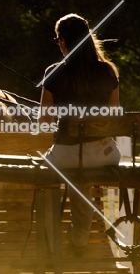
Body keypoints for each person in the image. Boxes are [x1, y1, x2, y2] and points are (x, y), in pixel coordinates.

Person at [39, 13, 121, 257]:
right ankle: (79, 241)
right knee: (82, 179)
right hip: (106, 154)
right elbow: (114, 116)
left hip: (67, 154)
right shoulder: (108, 71)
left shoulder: (54, 72)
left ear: (63, 40)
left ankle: (50, 236)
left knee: (47, 174)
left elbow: (44, 121)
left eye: (57, 40)